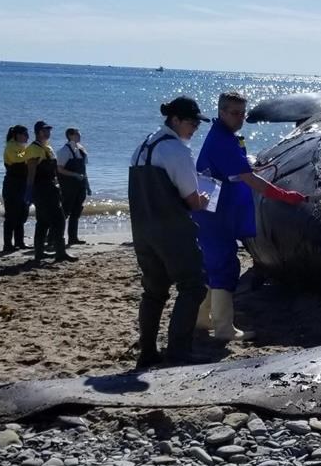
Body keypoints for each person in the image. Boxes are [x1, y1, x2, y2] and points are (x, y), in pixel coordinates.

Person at [193, 91, 308, 341]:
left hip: (213, 211)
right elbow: (250, 180)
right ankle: (224, 328)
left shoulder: (222, 135)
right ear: (221, 112)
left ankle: (201, 318)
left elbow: (238, 170)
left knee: (212, 265)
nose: (240, 118)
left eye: (243, 113)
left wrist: (247, 167)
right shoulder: (223, 141)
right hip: (216, 215)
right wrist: (284, 195)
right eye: (234, 113)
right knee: (225, 265)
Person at [129, 96, 211, 369]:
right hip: (172, 229)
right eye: (192, 123)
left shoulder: (144, 145)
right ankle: (178, 351)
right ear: (175, 120)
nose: (195, 128)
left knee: (154, 291)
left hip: (142, 229)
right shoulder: (177, 150)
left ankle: (148, 352)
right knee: (193, 286)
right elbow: (192, 200)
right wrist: (202, 200)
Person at [25, 120, 76, 264]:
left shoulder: (47, 147)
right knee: (58, 220)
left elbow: (54, 170)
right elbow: (31, 172)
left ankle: (39, 252)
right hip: (42, 189)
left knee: (43, 221)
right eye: (45, 130)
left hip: (51, 188)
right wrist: (29, 191)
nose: (48, 133)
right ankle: (60, 252)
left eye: (48, 130)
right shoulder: (33, 149)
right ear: (38, 132)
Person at [56, 127, 90, 245]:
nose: (79, 136)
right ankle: (54, 237)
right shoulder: (64, 151)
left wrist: (87, 185)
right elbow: (59, 169)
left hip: (80, 185)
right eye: (77, 134)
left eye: (79, 134)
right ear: (70, 135)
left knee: (76, 212)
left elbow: (84, 169)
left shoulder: (81, 149)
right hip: (68, 186)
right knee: (65, 212)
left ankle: (73, 238)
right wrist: (74, 174)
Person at [2, 125, 30, 252]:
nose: (27, 137)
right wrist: (29, 152)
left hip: (23, 183)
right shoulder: (10, 146)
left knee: (22, 214)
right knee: (11, 215)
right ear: (17, 135)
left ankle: (20, 242)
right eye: (25, 134)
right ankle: (7, 244)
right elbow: (17, 158)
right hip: (12, 184)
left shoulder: (23, 147)